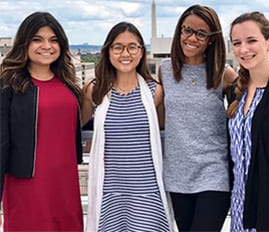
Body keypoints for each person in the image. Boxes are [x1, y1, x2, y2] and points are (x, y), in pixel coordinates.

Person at [81, 21, 175, 232]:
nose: (126, 53)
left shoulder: (155, 92)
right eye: (118, 47)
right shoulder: (94, 91)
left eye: (133, 46)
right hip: (110, 193)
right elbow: (73, 125)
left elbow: (163, 131)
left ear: (141, 52)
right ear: (108, 52)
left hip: (148, 192)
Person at [0, 12, 83, 231]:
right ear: (24, 43)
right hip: (27, 185)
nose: (46, 46)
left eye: (53, 40)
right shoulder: (9, 85)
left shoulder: (69, 84)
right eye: (37, 39)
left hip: (65, 183)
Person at [159, 4, 238, 231]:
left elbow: (245, 111)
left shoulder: (222, 72)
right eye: (187, 30)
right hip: (177, 173)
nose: (192, 37)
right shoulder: (165, 70)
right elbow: (162, 119)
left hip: (213, 172)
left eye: (201, 33)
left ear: (212, 39)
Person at [227, 11, 269, 231]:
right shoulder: (235, 92)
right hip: (240, 208)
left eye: (251, 40)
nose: (244, 49)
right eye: (237, 43)